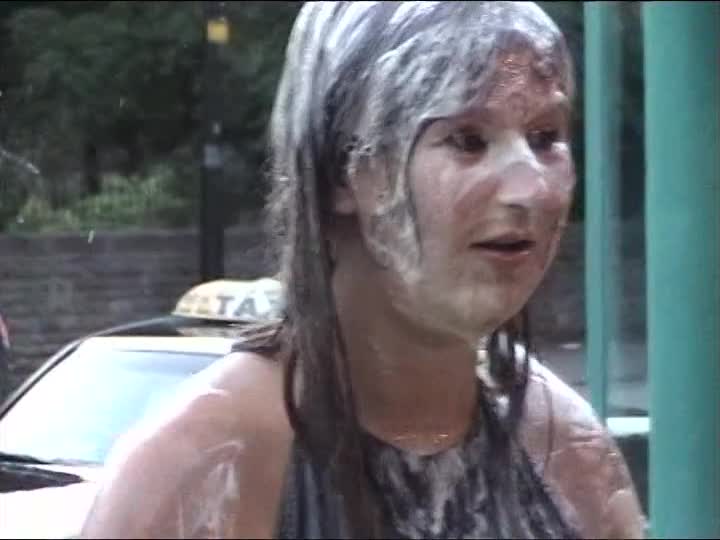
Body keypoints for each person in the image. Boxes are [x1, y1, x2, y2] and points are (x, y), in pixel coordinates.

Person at [81, 2, 645, 538]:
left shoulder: (570, 460)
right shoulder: (207, 466)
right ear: (344, 171)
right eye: (467, 141)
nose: (532, 189)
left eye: (545, 139)